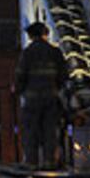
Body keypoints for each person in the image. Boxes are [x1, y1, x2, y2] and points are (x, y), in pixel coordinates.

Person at [15, 21, 68, 169]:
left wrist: (19, 90)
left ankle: (31, 162)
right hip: (51, 98)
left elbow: (20, 74)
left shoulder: (28, 52)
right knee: (50, 130)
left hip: (32, 100)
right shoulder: (55, 52)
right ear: (46, 34)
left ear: (32, 35)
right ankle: (49, 162)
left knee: (31, 130)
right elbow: (63, 75)